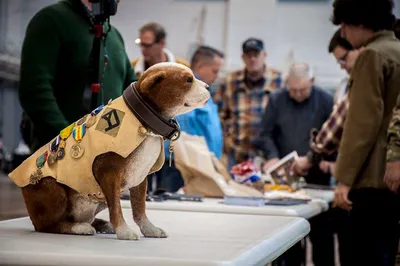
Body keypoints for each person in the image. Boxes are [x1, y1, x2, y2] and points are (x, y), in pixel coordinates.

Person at [331, 0, 400, 265]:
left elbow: (362, 122)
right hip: (393, 179)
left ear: (359, 23)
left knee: (362, 256)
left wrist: (344, 179)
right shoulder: (396, 50)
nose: (344, 33)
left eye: (345, 26)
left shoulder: (371, 55)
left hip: (372, 178)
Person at [18, 0, 135, 152]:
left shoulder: (113, 35)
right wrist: (68, 139)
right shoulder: (52, 19)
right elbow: (35, 89)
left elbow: (131, 90)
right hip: (59, 158)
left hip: (106, 159)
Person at [253, 62, 334, 266]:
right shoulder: (277, 99)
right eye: (293, 90)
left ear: (313, 82)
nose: (297, 94)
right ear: (287, 84)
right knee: (287, 238)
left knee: (321, 236)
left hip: (317, 174)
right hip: (284, 175)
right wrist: (271, 157)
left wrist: (314, 159)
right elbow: (265, 134)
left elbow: (332, 139)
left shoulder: (325, 100)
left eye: (303, 90)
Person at [153, 46, 224, 192]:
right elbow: (181, 129)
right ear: (200, 66)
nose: (217, 76)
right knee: (174, 210)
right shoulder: (185, 90)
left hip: (198, 166)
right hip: (181, 167)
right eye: (214, 71)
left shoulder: (202, 92)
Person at [214, 38, 283, 170]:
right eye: (248, 55)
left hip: (268, 157)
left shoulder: (279, 81)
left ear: (264, 55)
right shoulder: (230, 81)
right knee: (234, 190)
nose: (252, 59)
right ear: (243, 57)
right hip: (237, 153)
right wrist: (225, 141)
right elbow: (219, 115)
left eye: (256, 55)